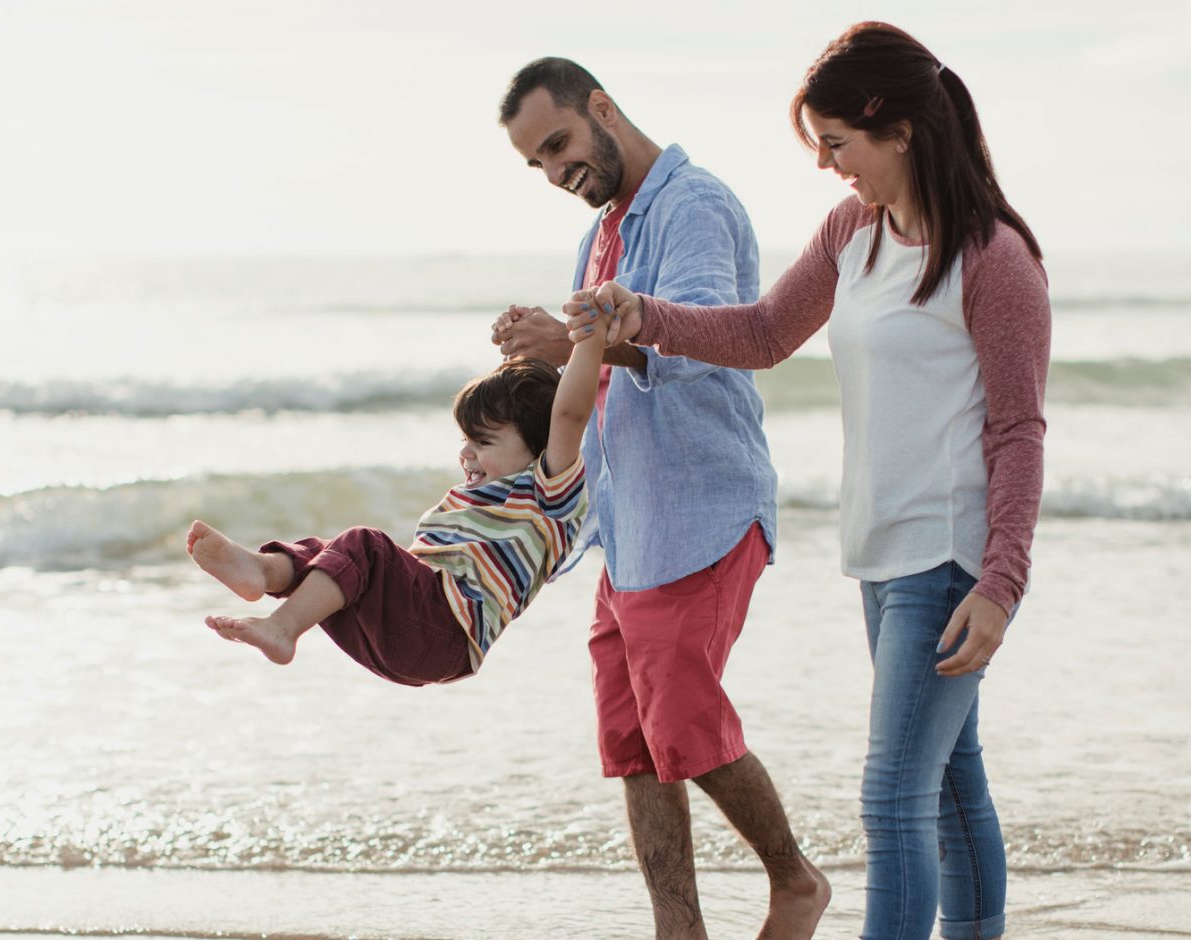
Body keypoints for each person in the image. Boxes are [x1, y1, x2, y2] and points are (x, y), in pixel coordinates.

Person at [567, 22, 1050, 940]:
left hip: (949, 559)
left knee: (892, 796)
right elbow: (760, 336)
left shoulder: (994, 259)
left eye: (837, 144)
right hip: (877, 550)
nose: (829, 168)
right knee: (952, 778)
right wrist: (643, 315)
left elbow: (1018, 430)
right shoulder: (852, 232)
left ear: (898, 129)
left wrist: (1001, 583)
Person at [493, 57, 828, 940]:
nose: (558, 172)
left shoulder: (693, 206)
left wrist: (591, 341)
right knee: (634, 745)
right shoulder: (601, 231)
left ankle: (794, 882)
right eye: (538, 163)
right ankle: (676, 930)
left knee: (679, 720)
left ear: (602, 107)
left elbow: (703, 338)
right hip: (629, 524)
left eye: (560, 144)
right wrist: (543, 353)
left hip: (703, 510)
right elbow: (596, 368)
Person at [185, 308, 609, 683]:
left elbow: (567, 413)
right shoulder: (495, 490)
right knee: (328, 555)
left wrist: (588, 338)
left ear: (541, 445)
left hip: (443, 631)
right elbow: (524, 400)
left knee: (364, 547)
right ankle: (262, 571)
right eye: (465, 439)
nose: (466, 453)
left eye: (482, 443)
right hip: (411, 637)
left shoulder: (548, 492)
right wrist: (520, 345)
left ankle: (282, 629)